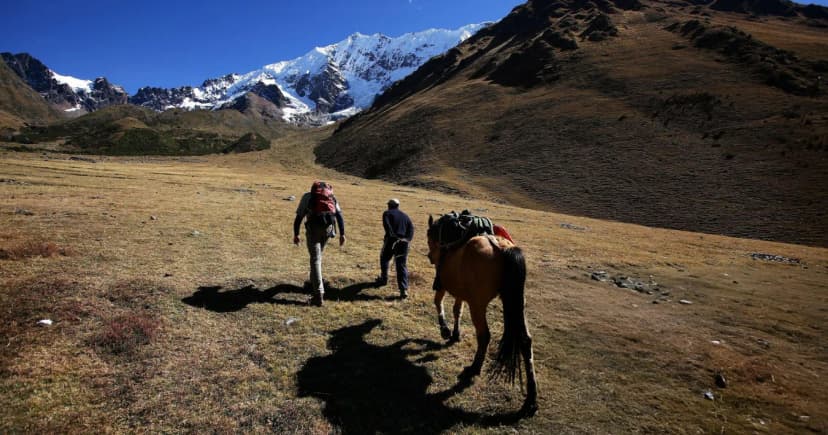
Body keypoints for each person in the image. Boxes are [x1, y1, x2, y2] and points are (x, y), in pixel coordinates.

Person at [293, 181, 345, 306]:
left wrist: (296, 233)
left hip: (313, 228)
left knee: (315, 259)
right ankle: (313, 282)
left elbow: (299, 216)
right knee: (318, 256)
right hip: (328, 229)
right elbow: (339, 215)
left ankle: (318, 295)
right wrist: (342, 234)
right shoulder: (331, 196)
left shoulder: (308, 196)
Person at [377, 198, 414, 298]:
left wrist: (392, 237)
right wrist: (407, 239)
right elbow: (411, 228)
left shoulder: (387, 213)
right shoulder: (405, 216)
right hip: (403, 243)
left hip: (391, 241)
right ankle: (403, 290)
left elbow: (387, 226)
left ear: (389, 205)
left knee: (384, 258)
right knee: (401, 265)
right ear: (398, 206)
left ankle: (384, 279)